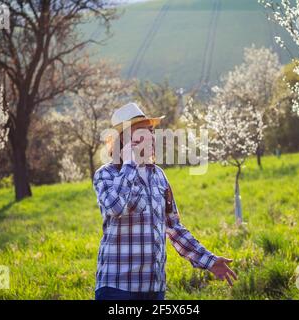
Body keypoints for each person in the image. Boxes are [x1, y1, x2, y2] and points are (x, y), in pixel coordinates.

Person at [92, 102, 237, 300]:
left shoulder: (158, 175)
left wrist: (209, 261)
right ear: (125, 141)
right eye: (142, 132)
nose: (151, 137)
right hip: (118, 288)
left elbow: (174, 227)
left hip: (154, 288)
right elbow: (116, 207)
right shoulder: (106, 175)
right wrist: (129, 162)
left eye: (151, 131)